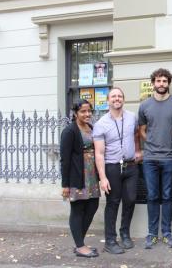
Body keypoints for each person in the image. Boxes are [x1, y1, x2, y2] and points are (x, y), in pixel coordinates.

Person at [93, 87, 142, 254]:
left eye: (120, 96)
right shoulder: (100, 124)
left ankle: (125, 233)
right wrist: (102, 177)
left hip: (131, 166)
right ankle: (110, 240)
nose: (117, 99)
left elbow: (135, 135)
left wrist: (137, 150)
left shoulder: (131, 117)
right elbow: (99, 154)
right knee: (113, 203)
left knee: (131, 199)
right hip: (112, 167)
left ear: (123, 99)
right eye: (113, 96)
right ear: (108, 100)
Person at [138, 68, 172, 249]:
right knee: (153, 196)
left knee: (167, 195)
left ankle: (167, 233)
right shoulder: (144, 105)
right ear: (153, 83)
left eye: (164, 81)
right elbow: (142, 130)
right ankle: (152, 234)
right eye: (158, 81)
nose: (161, 84)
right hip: (150, 158)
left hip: (170, 157)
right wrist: (153, 142)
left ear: (168, 83)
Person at [60, 99, 100, 258]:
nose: (87, 114)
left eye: (89, 111)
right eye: (83, 111)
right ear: (75, 113)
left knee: (92, 207)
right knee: (77, 210)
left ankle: (79, 243)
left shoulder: (91, 128)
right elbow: (65, 159)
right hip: (77, 175)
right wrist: (65, 185)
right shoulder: (69, 131)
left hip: (92, 175)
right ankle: (80, 246)